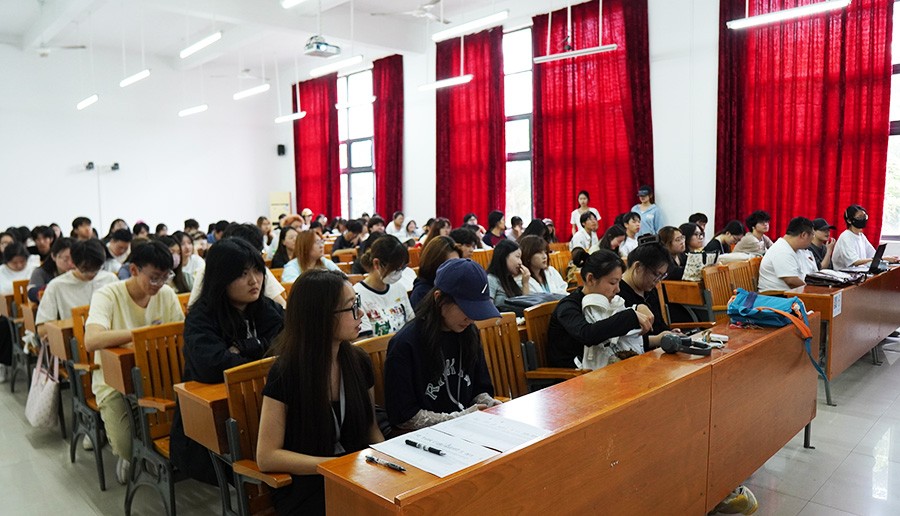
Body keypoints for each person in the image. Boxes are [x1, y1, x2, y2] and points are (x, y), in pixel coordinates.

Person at [256, 269, 382, 515]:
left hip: (357, 474)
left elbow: (371, 428)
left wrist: (388, 460)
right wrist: (335, 467)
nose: (361, 313)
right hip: (307, 484)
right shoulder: (287, 371)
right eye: (351, 307)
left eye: (357, 303)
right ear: (321, 316)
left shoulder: (359, 361)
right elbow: (267, 456)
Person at [171, 238, 285, 485]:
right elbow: (214, 366)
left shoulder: (265, 307)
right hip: (216, 420)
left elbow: (287, 344)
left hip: (264, 405)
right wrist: (261, 352)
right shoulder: (201, 317)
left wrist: (243, 348)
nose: (254, 281)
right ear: (221, 279)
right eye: (243, 274)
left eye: (257, 271)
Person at [84, 241, 185, 484]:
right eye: (154, 277)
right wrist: (142, 335)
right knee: (126, 445)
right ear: (134, 270)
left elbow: (181, 334)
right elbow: (91, 340)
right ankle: (129, 454)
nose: (159, 284)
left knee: (182, 428)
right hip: (115, 382)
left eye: (166, 277)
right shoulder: (108, 295)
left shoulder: (166, 294)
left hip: (159, 376)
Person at [384, 259, 502, 430]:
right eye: (466, 309)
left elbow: (479, 388)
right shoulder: (406, 344)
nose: (471, 318)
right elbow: (403, 416)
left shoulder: (469, 332)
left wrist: (489, 403)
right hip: (425, 435)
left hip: (469, 428)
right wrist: (457, 418)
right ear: (439, 298)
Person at [546, 250, 652, 368]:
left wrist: (638, 308)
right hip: (574, 374)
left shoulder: (608, 301)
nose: (618, 289)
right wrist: (630, 316)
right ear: (591, 279)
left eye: (619, 282)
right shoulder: (568, 306)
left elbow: (618, 339)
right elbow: (587, 334)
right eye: (612, 283)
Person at [35, 239, 117, 342]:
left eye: (97, 269)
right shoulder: (57, 286)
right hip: (76, 341)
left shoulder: (110, 279)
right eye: (86, 269)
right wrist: (78, 323)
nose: (92, 274)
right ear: (73, 263)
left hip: (110, 337)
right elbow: (42, 329)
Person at [189, 224, 287, 308]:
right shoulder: (207, 271)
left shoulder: (257, 271)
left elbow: (281, 306)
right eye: (243, 273)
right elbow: (193, 308)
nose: (254, 281)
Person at [619, 243, 678, 350]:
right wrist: (657, 339)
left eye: (662, 276)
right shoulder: (617, 293)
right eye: (656, 274)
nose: (658, 281)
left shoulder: (649, 290)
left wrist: (670, 333)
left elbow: (659, 324)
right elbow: (622, 340)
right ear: (638, 267)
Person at [354, 235, 414, 337]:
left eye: (402, 268)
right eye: (395, 269)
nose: (399, 273)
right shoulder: (357, 295)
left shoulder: (399, 288)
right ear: (376, 264)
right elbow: (364, 341)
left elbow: (411, 324)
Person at [758, 217, 819, 292]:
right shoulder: (781, 250)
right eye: (812, 235)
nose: (813, 239)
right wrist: (814, 291)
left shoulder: (795, 249)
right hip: (777, 295)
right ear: (804, 235)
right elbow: (791, 281)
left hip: (790, 293)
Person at [831, 205, 898, 269]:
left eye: (864, 216)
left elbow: (872, 255)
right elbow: (855, 262)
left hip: (859, 272)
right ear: (849, 220)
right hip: (845, 273)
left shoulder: (861, 236)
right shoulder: (845, 237)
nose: (863, 219)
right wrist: (883, 258)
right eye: (859, 217)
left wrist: (888, 259)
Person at [409, 236, 460, 308]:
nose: (455, 268)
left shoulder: (454, 284)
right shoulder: (422, 293)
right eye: (448, 265)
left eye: (457, 263)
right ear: (435, 264)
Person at [27, 237, 74, 302]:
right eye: (65, 259)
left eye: (74, 259)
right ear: (53, 256)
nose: (70, 263)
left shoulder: (81, 271)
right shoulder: (41, 272)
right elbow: (31, 293)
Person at [486, 239, 529, 307]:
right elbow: (488, 308)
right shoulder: (491, 279)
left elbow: (525, 306)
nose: (520, 262)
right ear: (504, 256)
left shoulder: (510, 280)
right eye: (517, 257)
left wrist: (525, 283)